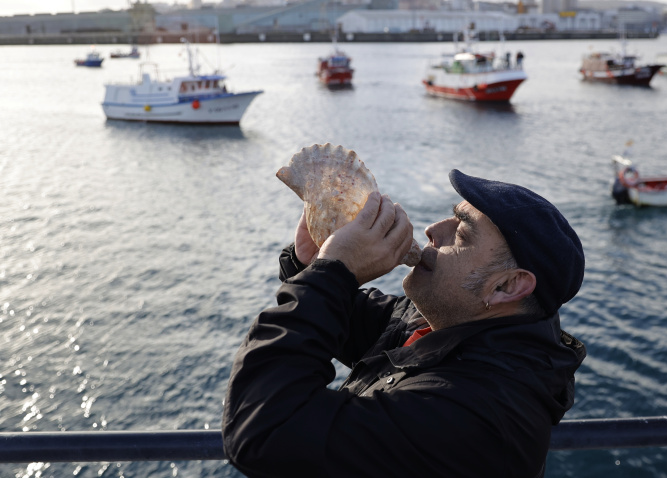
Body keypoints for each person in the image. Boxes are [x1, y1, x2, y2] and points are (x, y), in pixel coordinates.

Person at [222, 170, 586, 478]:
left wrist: (333, 273)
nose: (431, 229)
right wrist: (311, 264)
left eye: (462, 232)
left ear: (508, 285)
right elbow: (365, 323)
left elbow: (264, 427)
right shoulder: (456, 324)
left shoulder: (476, 417)